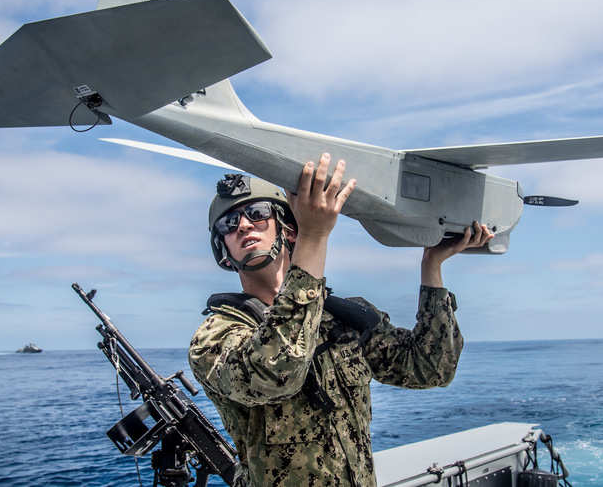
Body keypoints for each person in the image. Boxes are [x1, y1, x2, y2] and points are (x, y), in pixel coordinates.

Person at [189, 153, 494, 487]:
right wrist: (314, 237)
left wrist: (432, 266)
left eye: (257, 214)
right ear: (224, 252)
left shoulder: (343, 320)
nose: (244, 225)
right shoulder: (215, 338)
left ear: (287, 229)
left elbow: (430, 368)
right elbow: (277, 373)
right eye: (228, 225)